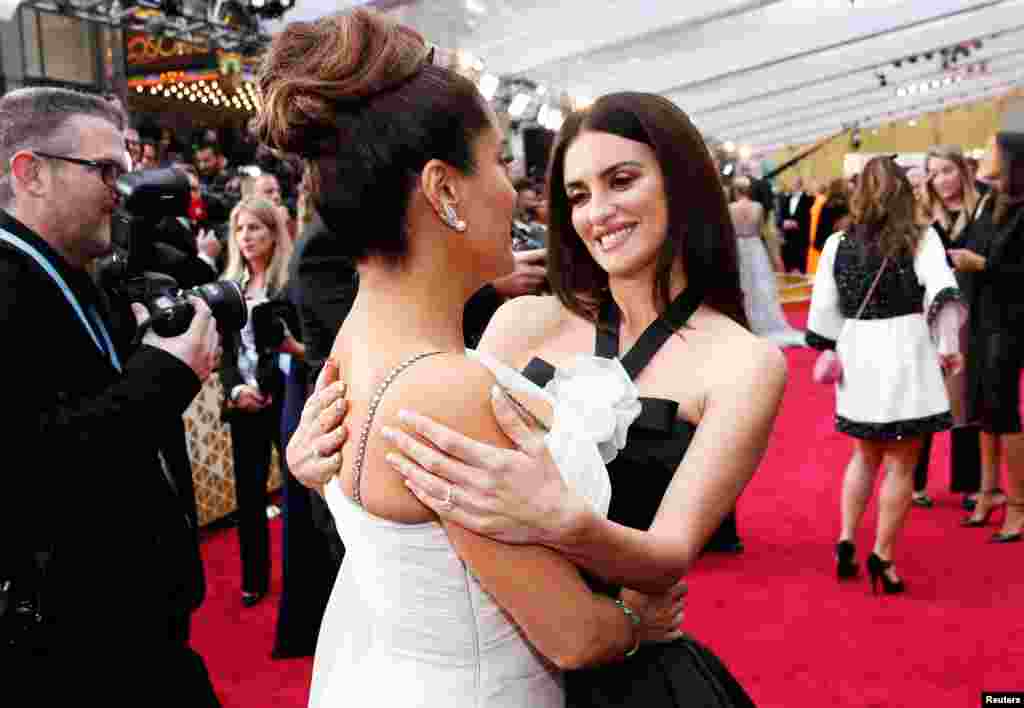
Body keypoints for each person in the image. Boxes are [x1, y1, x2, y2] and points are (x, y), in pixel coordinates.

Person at [286, 79, 785, 707]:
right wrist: (319, 466)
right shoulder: (520, 321)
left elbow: (668, 558)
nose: (596, 211)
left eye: (621, 181)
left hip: (634, 675)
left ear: (682, 182)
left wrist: (567, 523)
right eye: (577, 194)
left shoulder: (746, 363)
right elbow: (424, 471)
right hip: (508, 656)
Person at [0, 87, 221, 702]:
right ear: (31, 173)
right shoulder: (9, 284)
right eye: (105, 170)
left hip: (136, 636)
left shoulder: (76, 276)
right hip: (68, 657)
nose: (121, 191)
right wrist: (164, 375)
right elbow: (32, 470)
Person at [807, 156, 964, 594]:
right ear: (903, 193)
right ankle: (883, 556)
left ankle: (844, 541)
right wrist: (949, 348)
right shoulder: (921, 237)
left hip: (857, 352)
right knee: (901, 464)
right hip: (907, 348)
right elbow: (942, 291)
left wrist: (832, 346)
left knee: (863, 456)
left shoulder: (838, 242)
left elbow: (823, 306)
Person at [219, 197, 301, 607]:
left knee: (297, 490)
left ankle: (303, 577)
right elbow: (226, 351)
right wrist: (237, 390)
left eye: (255, 228)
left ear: (273, 233)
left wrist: (267, 386)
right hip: (244, 403)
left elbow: (293, 346)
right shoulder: (229, 285)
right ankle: (254, 579)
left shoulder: (289, 283)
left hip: (284, 399)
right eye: (240, 229)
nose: (246, 238)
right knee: (249, 497)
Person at [948, 107, 1024, 543]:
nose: (987, 153)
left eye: (994, 148)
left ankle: (1017, 503)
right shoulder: (988, 204)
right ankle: (986, 493)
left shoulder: (1020, 209)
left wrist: (983, 265)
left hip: (1008, 322)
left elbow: (1012, 267)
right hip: (981, 317)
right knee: (982, 408)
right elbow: (973, 249)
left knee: (1004, 411)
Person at [913, 145, 984, 511]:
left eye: (947, 170)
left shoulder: (984, 209)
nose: (941, 180)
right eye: (934, 172)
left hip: (977, 314)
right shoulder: (922, 215)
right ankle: (915, 481)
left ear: (962, 171)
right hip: (931, 313)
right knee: (925, 393)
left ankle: (970, 484)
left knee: (965, 400)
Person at [730, 176, 806, 348]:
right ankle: (766, 323)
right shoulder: (758, 207)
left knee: (744, 287)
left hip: (739, 249)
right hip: (756, 247)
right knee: (761, 287)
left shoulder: (730, 208)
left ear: (735, 190)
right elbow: (763, 230)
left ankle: (746, 323)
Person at [778, 176, 813, 274]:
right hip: (787, 240)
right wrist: (783, 223)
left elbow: (809, 218)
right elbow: (780, 217)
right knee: (787, 268)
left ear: (800, 185)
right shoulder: (786, 199)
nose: (792, 186)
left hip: (801, 239)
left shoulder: (809, 199)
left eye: (794, 183)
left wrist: (797, 224)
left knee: (801, 269)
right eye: (792, 184)